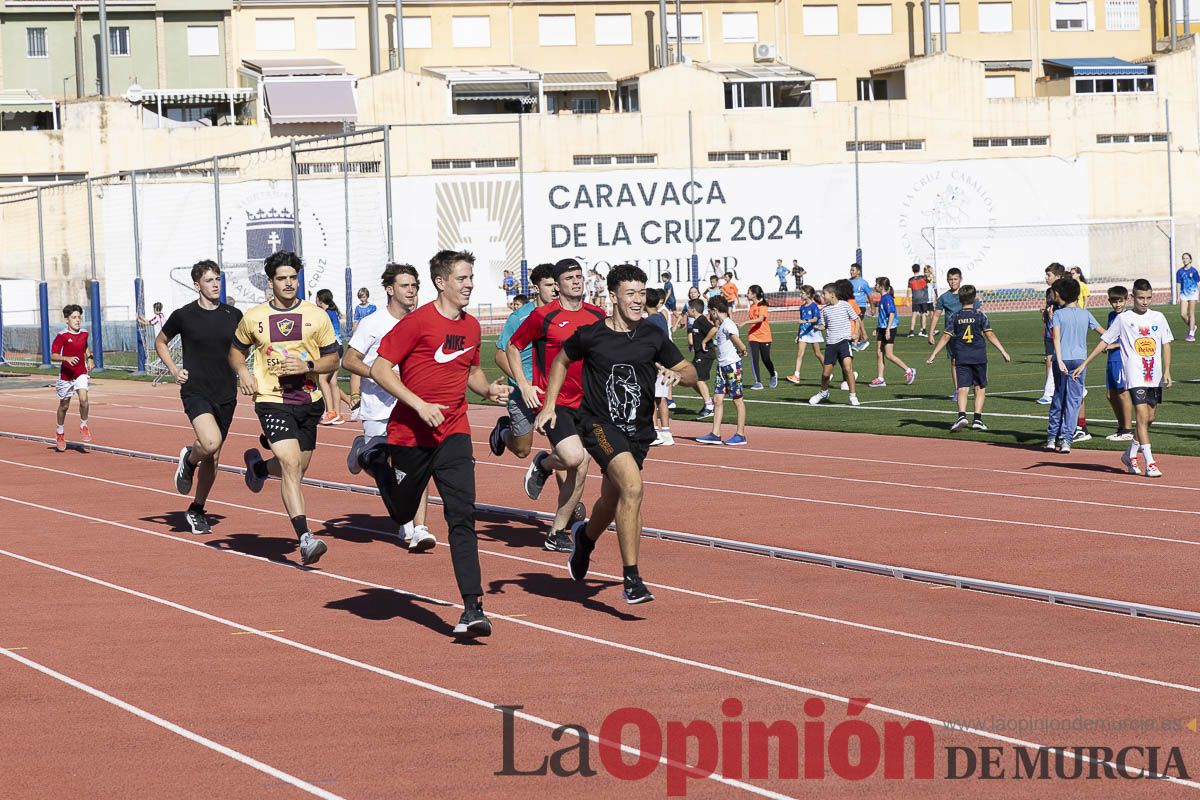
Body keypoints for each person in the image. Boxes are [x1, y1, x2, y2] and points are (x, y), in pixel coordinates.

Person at [534, 264, 697, 605]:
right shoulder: (592, 335)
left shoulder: (653, 336)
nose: (638, 300)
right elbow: (561, 361)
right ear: (613, 297)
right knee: (634, 489)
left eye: (642, 293)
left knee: (611, 501)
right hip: (598, 426)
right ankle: (632, 578)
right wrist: (549, 406)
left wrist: (679, 375)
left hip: (637, 432)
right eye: (631, 294)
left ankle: (585, 541)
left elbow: (689, 370)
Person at [370, 249, 511, 636]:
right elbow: (380, 368)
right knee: (401, 514)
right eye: (462, 279)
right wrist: (418, 404)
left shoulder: (471, 327)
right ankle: (376, 461)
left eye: (471, 278)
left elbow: (471, 370)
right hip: (409, 434)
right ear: (441, 282)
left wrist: (488, 389)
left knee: (462, 516)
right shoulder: (417, 323)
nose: (469, 285)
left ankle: (473, 607)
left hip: (453, 432)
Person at [231, 251, 340, 566]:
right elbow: (236, 353)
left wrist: (306, 364)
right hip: (270, 399)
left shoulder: (315, 315)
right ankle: (306, 538)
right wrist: (244, 373)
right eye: (282, 278)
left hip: (308, 401)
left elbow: (333, 359)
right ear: (271, 281)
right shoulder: (253, 317)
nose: (289, 283)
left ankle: (260, 469)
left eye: (293, 277)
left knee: (297, 468)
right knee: (291, 465)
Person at [507, 257, 606, 552]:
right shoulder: (543, 316)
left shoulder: (597, 314)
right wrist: (524, 385)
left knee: (582, 466)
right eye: (570, 278)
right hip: (555, 401)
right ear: (558, 284)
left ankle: (556, 532)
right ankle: (545, 462)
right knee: (574, 458)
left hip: (588, 401)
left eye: (579, 277)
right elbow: (514, 347)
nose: (576, 281)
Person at [343, 263, 432, 550]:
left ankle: (418, 527)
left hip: (411, 407)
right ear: (390, 290)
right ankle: (363, 451)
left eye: (414, 286)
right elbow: (349, 360)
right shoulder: (373, 323)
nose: (411, 291)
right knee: (386, 465)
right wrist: (380, 375)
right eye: (405, 286)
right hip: (377, 407)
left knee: (417, 466)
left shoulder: (424, 321)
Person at [158, 260, 243, 535]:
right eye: (209, 280)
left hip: (226, 392)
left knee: (214, 456)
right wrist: (173, 369)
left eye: (218, 279)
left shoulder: (234, 314)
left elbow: (248, 346)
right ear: (197, 285)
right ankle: (188, 459)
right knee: (209, 442)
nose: (215, 284)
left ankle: (197, 509)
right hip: (196, 389)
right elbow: (161, 341)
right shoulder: (184, 315)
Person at [1074, 279, 1173, 477]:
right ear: (1132, 298)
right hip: (1135, 376)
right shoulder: (1124, 319)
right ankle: (1150, 462)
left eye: (1148, 298)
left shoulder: (1159, 317)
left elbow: (1166, 343)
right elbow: (1105, 341)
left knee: (1150, 418)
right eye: (1141, 298)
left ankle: (1129, 454)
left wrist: (1167, 371)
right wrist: (1085, 363)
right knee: (1142, 417)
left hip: (1153, 376)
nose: (1145, 302)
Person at [490, 263, 557, 460]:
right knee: (522, 450)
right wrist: (525, 384)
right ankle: (503, 430)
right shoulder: (519, 317)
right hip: (522, 391)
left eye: (556, 285)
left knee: (562, 446)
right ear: (536, 288)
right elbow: (500, 356)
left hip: (551, 390)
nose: (555, 290)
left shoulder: (562, 314)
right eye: (549, 285)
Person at [927, 285, 1010, 431]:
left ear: (960, 299)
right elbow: (989, 334)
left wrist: (933, 354)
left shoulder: (955, 317)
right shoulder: (980, 315)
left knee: (962, 387)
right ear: (975, 298)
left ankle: (962, 415)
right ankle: (977, 419)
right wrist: (1003, 351)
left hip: (961, 356)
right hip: (978, 356)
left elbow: (946, 337)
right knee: (980, 387)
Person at [1044, 277, 1103, 453]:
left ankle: (1051, 438)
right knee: (1073, 401)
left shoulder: (1058, 314)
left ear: (1060, 294)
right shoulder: (1085, 313)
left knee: (1058, 398)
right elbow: (1104, 334)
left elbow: (1055, 337)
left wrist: (1059, 360)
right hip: (1080, 361)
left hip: (1062, 359)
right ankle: (1066, 440)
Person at [695, 295, 748, 445]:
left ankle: (740, 434)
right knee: (717, 399)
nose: (709, 315)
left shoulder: (728, 324)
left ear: (715, 310)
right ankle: (715, 433)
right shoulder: (722, 325)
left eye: (710, 311)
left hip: (731, 366)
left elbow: (736, 339)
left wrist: (742, 349)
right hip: (722, 366)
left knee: (737, 400)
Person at [927, 267, 980, 398]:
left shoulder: (968, 296)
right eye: (950, 279)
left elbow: (977, 313)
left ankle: (975, 385)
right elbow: (936, 315)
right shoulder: (944, 298)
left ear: (960, 280)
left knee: (972, 360)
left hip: (969, 334)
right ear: (947, 280)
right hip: (952, 335)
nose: (953, 282)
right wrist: (931, 332)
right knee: (955, 361)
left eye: (955, 279)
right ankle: (957, 389)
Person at [808, 283, 860, 406]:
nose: (822, 296)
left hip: (844, 342)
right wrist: (818, 328)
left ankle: (852, 396)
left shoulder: (845, 306)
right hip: (831, 344)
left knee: (848, 369)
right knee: (826, 374)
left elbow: (856, 319)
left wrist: (856, 333)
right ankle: (823, 392)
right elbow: (825, 325)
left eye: (824, 293)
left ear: (832, 295)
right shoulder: (824, 310)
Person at [51, 304, 93, 452]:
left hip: (81, 372)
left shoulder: (84, 333)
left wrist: (90, 357)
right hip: (66, 375)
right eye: (74, 317)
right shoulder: (61, 336)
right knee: (64, 406)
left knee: (84, 399)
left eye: (79, 317)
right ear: (67, 320)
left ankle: (84, 425)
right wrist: (66, 358)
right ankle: (60, 432)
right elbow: (53, 355)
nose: (77, 320)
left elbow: (85, 345)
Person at [869, 277, 916, 387]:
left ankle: (909, 370)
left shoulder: (887, 298)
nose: (875, 286)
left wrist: (888, 329)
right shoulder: (883, 298)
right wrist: (878, 328)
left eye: (876, 284)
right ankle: (880, 379)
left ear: (881, 287)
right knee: (879, 353)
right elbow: (883, 316)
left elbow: (891, 314)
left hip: (889, 328)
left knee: (889, 355)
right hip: (883, 328)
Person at [1101, 285, 1134, 442]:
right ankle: (1121, 427)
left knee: (1122, 392)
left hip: (1122, 359)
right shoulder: (1111, 316)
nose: (1118, 305)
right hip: (1111, 359)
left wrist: (1113, 346)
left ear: (1126, 300)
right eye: (1114, 302)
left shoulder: (1129, 317)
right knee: (1110, 394)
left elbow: (1132, 340)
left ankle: (1128, 429)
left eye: (1120, 301)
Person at [643, 289, 675, 446]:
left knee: (650, 398)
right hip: (664, 362)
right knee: (660, 397)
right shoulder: (660, 317)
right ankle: (666, 431)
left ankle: (654, 431)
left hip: (656, 364)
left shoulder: (649, 321)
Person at [314, 289, 347, 426]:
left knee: (322, 380)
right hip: (338, 348)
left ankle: (330, 412)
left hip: (331, 348)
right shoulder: (333, 312)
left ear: (320, 300)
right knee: (333, 382)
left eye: (316, 298)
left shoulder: (325, 314)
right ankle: (337, 414)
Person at [1037, 263, 1068, 404]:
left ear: (1058, 277)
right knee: (1049, 361)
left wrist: (1053, 316)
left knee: (1057, 360)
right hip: (1049, 333)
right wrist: (1045, 314)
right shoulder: (1049, 292)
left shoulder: (1064, 292)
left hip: (1059, 333)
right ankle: (1051, 392)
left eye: (1049, 275)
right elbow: (1049, 310)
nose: (1046, 278)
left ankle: (1050, 393)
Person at [347, 287, 378, 417]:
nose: (362, 299)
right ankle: (356, 398)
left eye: (364, 297)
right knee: (357, 365)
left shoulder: (373, 308)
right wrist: (354, 333)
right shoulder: (358, 308)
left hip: (371, 337)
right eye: (361, 297)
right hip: (362, 337)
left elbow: (376, 321)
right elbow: (356, 321)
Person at [786, 285, 823, 384]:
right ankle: (796, 375)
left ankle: (828, 371)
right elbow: (801, 322)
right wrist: (798, 335)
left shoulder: (814, 306)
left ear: (808, 295)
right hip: (804, 333)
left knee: (818, 354)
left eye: (802, 293)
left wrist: (806, 321)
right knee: (799, 354)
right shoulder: (802, 307)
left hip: (813, 332)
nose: (800, 295)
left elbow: (815, 319)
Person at [686, 297, 715, 418]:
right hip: (698, 354)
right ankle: (708, 400)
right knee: (691, 380)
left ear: (693, 309)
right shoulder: (696, 322)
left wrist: (704, 342)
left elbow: (713, 329)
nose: (687, 310)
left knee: (698, 379)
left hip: (705, 354)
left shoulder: (702, 320)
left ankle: (709, 407)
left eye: (688, 308)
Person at [744, 285, 777, 389]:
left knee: (766, 359)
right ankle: (758, 382)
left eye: (749, 292)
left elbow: (760, 319)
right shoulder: (752, 306)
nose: (747, 294)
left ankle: (773, 374)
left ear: (754, 294)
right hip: (753, 336)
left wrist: (745, 322)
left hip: (765, 336)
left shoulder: (763, 306)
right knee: (754, 359)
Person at [1177, 252, 1198, 342]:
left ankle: (1191, 334)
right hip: (1184, 294)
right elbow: (1178, 284)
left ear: (1190, 260)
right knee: (1183, 314)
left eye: (1186, 258)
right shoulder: (1180, 272)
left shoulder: (1194, 271)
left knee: (1191, 313)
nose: (1185, 260)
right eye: (1183, 258)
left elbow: (1198, 282)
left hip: (1193, 293)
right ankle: (1193, 327)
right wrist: (1178, 296)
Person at [906, 264, 930, 337]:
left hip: (915, 299)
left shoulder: (910, 280)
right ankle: (924, 331)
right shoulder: (923, 278)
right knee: (923, 314)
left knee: (914, 315)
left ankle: (911, 331)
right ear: (919, 269)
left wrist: (907, 300)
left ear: (912, 270)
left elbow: (909, 290)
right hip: (923, 298)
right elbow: (930, 281)